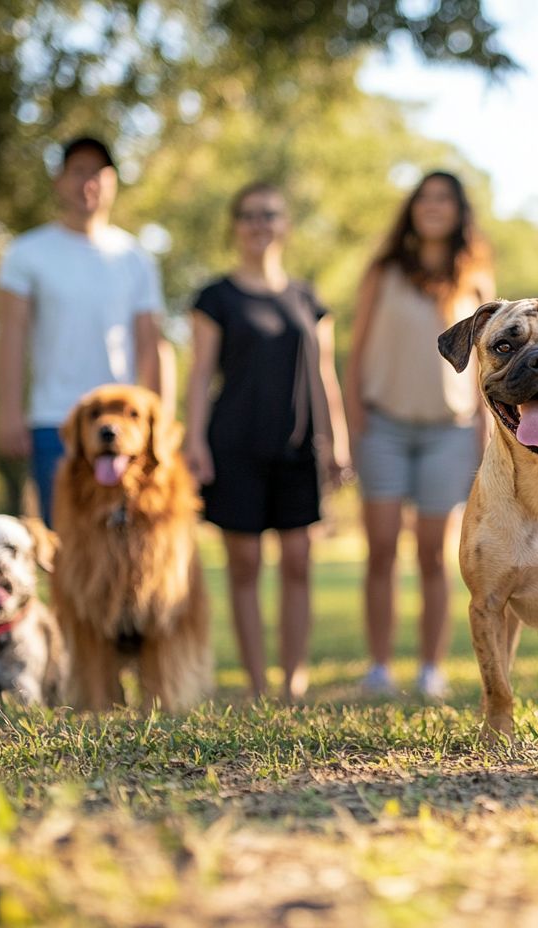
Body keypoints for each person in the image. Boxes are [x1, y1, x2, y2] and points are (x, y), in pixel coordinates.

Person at [185, 181, 350, 701]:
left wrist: (337, 441)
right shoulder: (216, 298)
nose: (259, 224)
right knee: (245, 564)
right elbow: (199, 376)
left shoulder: (307, 298)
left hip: (298, 447)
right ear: (235, 226)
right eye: (249, 215)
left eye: (270, 214)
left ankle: (293, 682)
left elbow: (325, 376)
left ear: (285, 226)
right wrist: (193, 443)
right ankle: (257, 684)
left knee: (299, 559)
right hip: (233, 445)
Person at [344, 171, 495, 699]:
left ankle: (432, 669)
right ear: (412, 207)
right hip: (383, 426)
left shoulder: (475, 278)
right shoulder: (382, 273)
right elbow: (357, 352)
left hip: (449, 433)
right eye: (424, 198)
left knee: (436, 554)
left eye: (444, 200)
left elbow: (486, 363)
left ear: (458, 212)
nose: (433, 207)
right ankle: (380, 668)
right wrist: (353, 424)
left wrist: (485, 428)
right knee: (381, 548)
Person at [0, 135, 166, 525]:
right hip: (54, 421)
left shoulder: (135, 257)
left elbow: (152, 344)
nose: (88, 182)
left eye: (99, 173)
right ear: (59, 181)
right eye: (78, 171)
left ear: (113, 183)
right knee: (61, 545)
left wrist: (161, 419)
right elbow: (11, 336)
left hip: (124, 425)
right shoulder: (26, 253)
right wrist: (8, 414)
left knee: (122, 550)